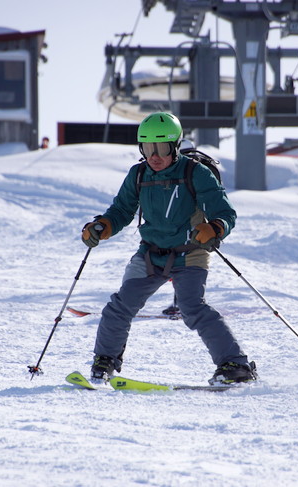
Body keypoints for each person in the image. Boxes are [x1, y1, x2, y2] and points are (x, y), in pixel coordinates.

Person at [81, 111, 257, 385]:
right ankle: (105, 360)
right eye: (148, 147)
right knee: (120, 306)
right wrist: (103, 226)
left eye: (161, 147)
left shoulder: (194, 172)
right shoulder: (139, 174)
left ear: (175, 146)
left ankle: (235, 365)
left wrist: (215, 228)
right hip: (151, 253)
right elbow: (121, 210)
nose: (155, 155)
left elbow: (224, 211)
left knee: (192, 309)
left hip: (190, 252)